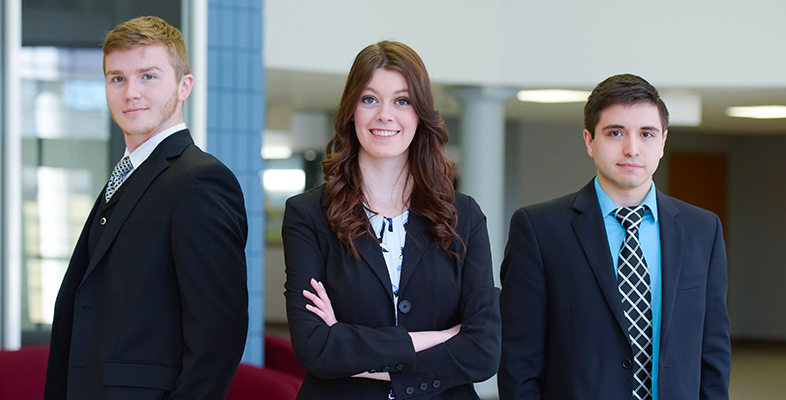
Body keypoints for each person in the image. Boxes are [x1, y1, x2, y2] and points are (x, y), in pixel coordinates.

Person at [43, 16, 249, 400]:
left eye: (148, 76)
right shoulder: (122, 177)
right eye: (117, 78)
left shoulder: (201, 182)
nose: (130, 92)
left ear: (184, 86)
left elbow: (219, 337)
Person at [282, 41, 501, 399]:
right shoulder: (308, 215)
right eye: (370, 99)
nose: (385, 115)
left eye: (402, 101)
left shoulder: (464, 216)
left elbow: (483, 351)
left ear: (420, 113)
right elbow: (315, 347)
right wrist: (437, 340)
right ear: (352, 110)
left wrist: (350, 343)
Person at [498, 74, 731, 400]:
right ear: (589, 141)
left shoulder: (702, 230)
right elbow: (520, 360)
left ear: (662, 142)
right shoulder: (539, 229)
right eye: (615, 132)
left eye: (646, 134)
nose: (631, 148)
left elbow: (714, 351)